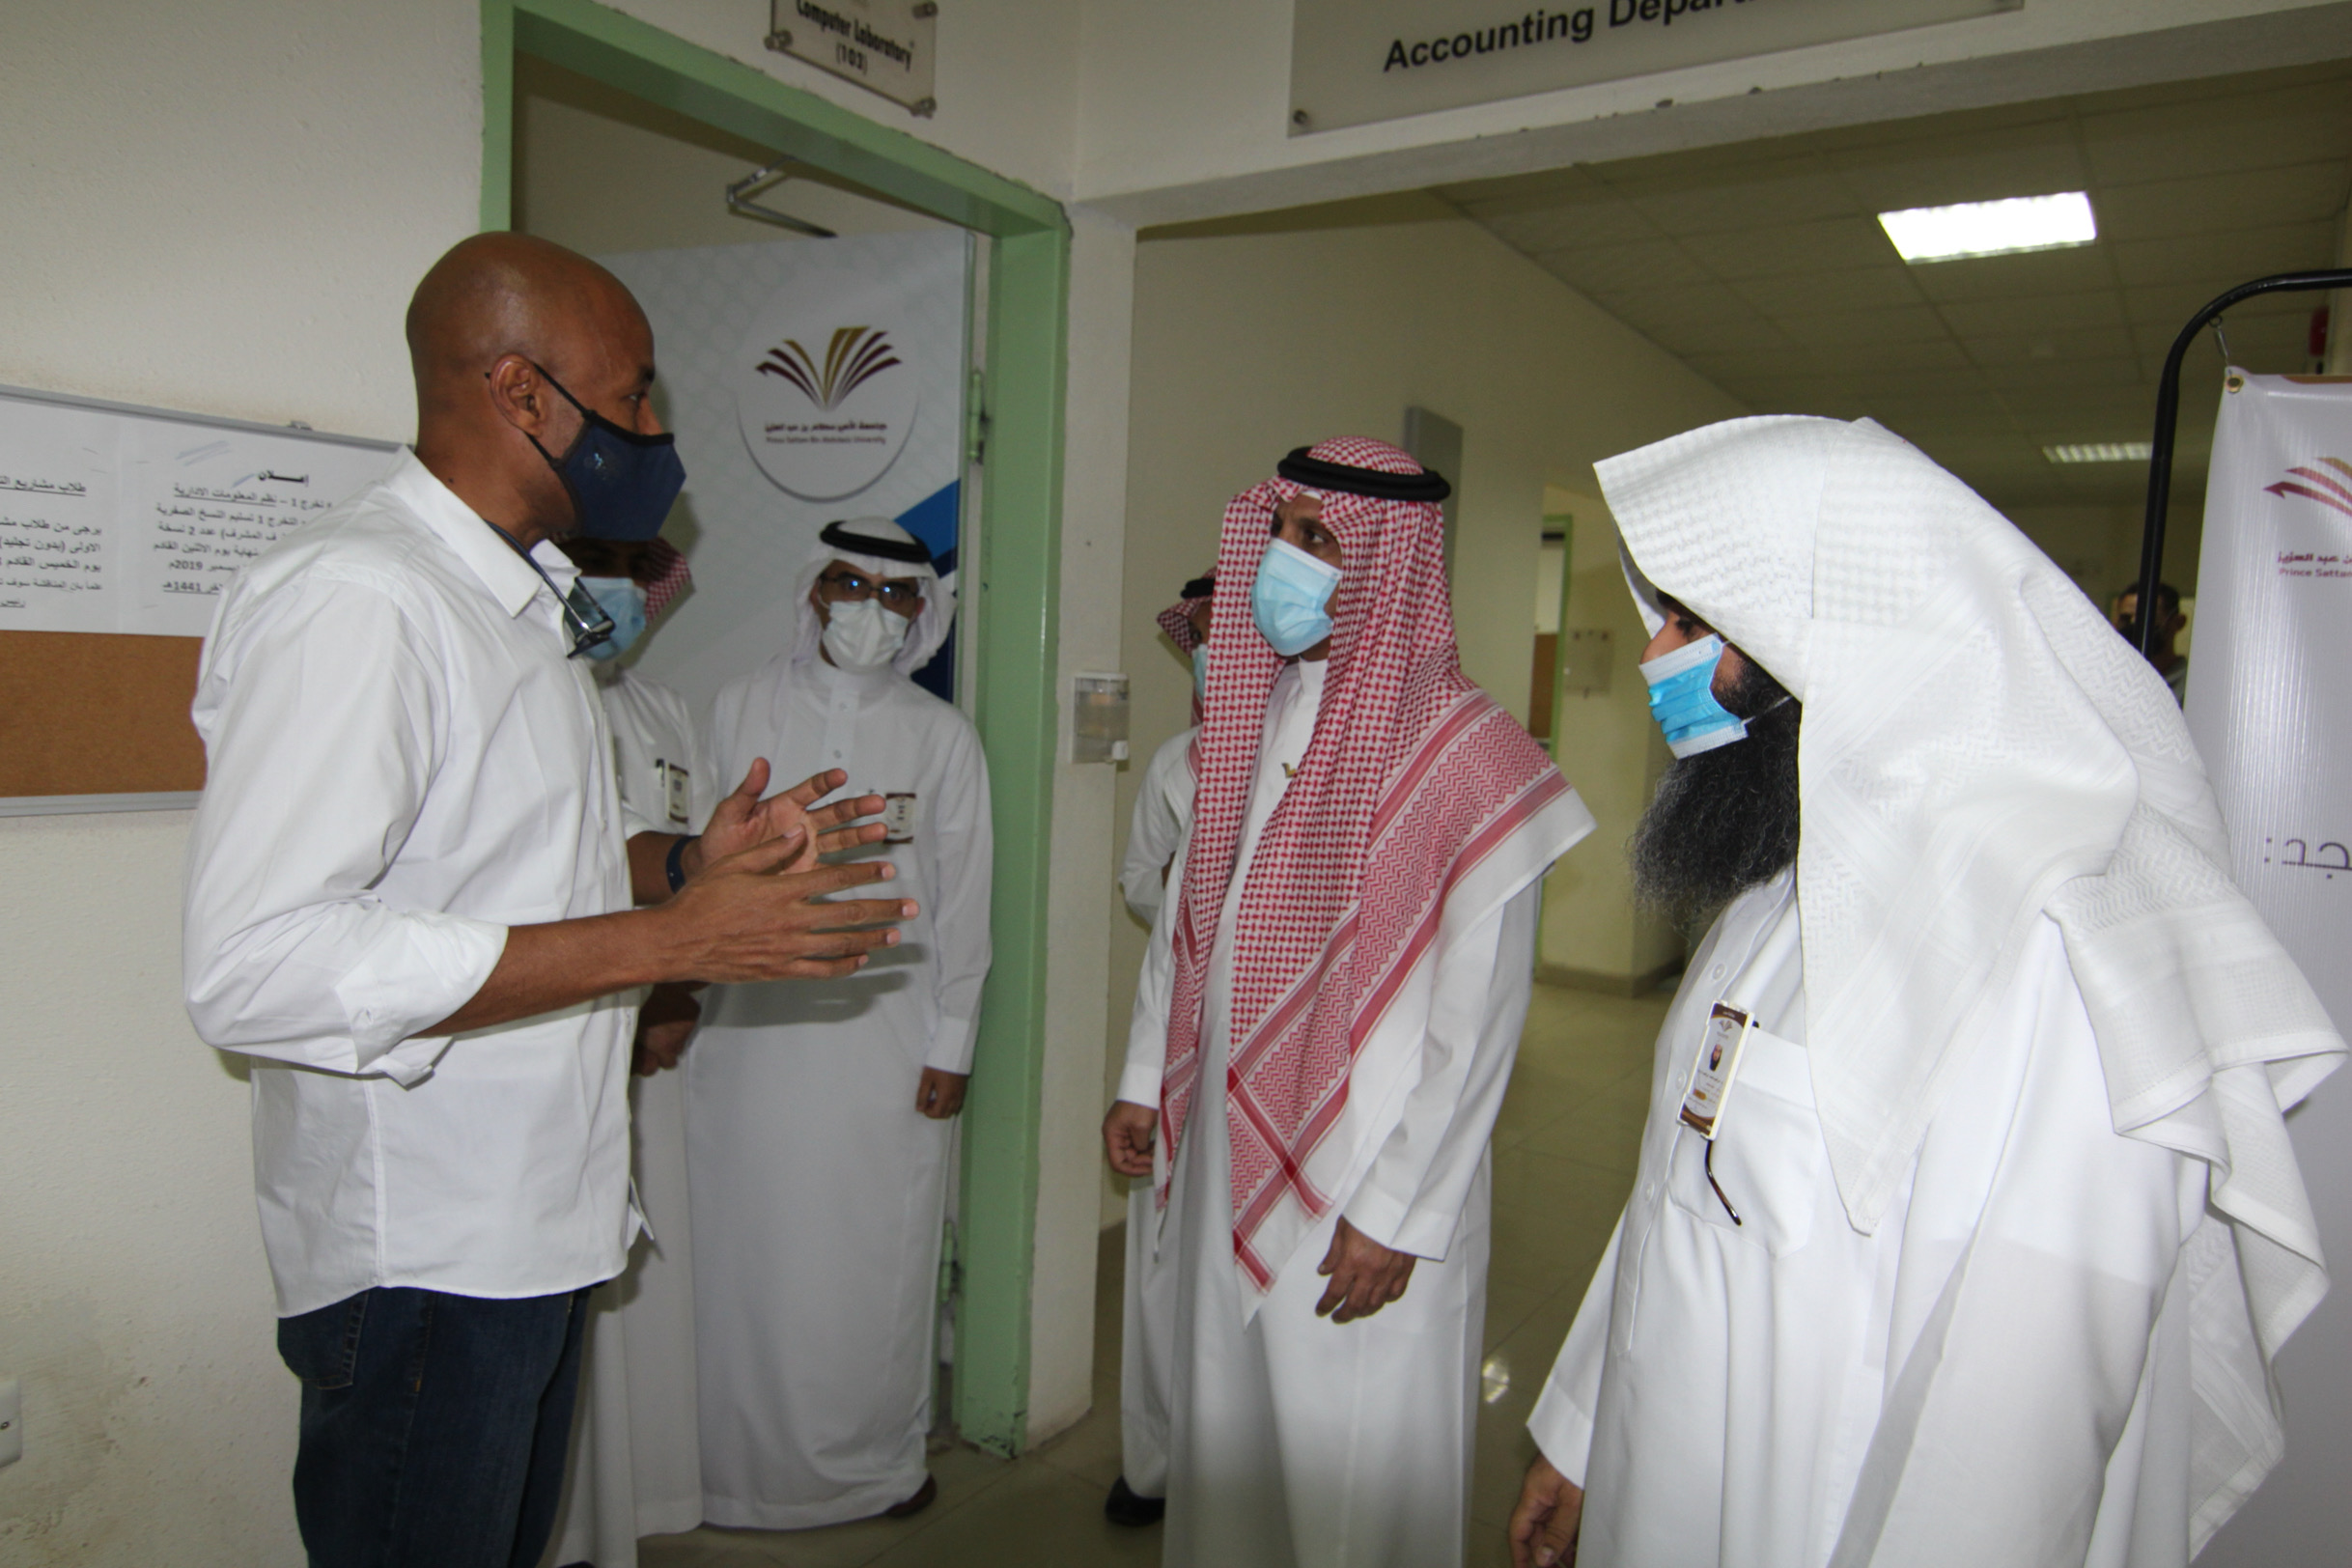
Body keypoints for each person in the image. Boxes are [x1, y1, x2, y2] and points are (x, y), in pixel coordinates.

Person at [182, 233, 912, 1568]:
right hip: (425, 1253)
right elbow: (257, 965)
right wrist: (666, 940)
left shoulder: (518, 604)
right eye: (632, 396)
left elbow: (524, 864)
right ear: (522, 393)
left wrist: (690, 866)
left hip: (532, 1223)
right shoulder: (361, 601)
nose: (655, 433)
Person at [1507, 416, 2341, 1568]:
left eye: (1691, 622)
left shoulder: (2060, 957)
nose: (1657, 654)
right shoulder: (1788, 887)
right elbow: (1682, 1186)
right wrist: (1586, 1430)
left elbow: (2005, 1452)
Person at [1105, 438, 1596, 1568]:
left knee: (1350, 1475)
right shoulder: (1253, 711)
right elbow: (1192, 917)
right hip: (1228, 1142)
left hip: (1365, 1173)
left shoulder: (1468, 752)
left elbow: (1478, 1023)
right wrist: (1143, 1076)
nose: (1285, 557)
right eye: (1280, 530)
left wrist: (1398, 1214)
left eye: (1318, 538)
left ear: (1387, 563)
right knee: (1230, 1436)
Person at [687, 517, 993, 1529]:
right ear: (815, 592)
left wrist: (954, 1041)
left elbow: (964, 902)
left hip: (887, 1036)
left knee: (871, 1261)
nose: (871, 609)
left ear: (922, 609)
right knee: (744, 1256)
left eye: (895, 592)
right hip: (747, 1033)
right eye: (850, 584)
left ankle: (870, 1469)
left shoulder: (941, 736)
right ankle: (731, 1473)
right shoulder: (737, 706)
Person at [546, 533, 714, 1568]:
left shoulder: (664, 709)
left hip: (657, 1029)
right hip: (565, 1024)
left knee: (642, 1284)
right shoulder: (536, 696)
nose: (617, 597)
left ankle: (639, 1502)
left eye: (636, 578)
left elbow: (695, 859)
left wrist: (677, 990)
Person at [1107, 569, 1214, 1529]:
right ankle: (1151, 1464)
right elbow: (1145, 878)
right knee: (1159, 1261)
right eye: (1205, 630)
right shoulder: (1179, 764)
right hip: (1178, 1038)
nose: (1223, 646)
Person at [2115, 580, 2190, 705]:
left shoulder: (2191, 684)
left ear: (2178, 622)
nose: (2134, 626)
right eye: (2126, 619)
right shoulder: (2115, 679)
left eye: (2146, 618)